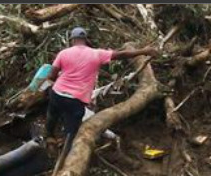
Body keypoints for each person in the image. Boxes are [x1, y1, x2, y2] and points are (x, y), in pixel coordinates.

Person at [44, 28, 157, 157]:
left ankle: (49, 138)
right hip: (76, 100)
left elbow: (52, 76)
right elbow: (121, 54)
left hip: (57, 93)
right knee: (72, 131)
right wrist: (144, 51)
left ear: (72, 40)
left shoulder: (63, 53)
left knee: (52, 114)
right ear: (85, 40)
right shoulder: (96, 53)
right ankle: (65, 154)